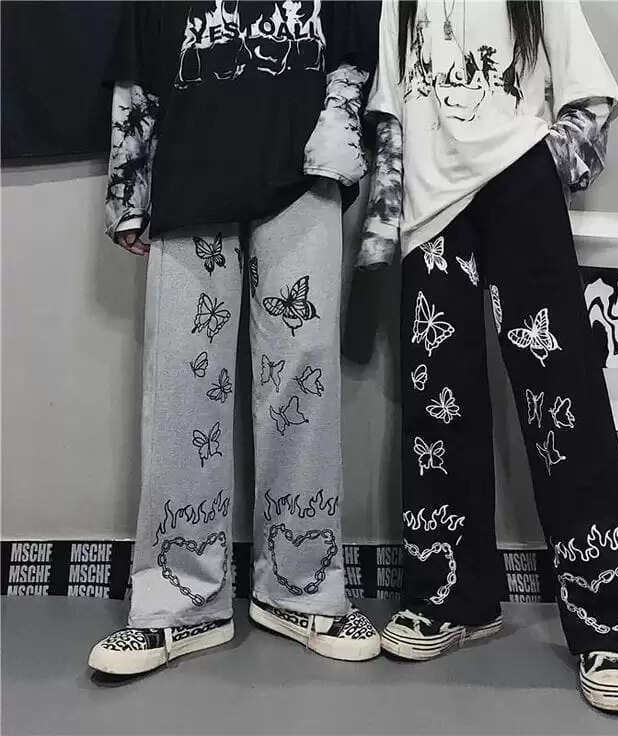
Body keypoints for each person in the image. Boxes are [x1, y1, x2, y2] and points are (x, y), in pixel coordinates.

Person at [359, 0, 618, 713]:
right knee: (439, 408)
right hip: (431, 213)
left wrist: (539, 172)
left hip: (518, 189)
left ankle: (612, 622)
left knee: (562, 401)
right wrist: (385, 223)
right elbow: (389, 114)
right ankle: (452, 597)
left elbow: (590, 93)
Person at [88, 0, 382, 676]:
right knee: (181, 386)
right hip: (191, 177)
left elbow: (353, 49)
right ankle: (177, 604)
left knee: (303, 380)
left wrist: (340, 142)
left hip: (301, 178)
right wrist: (129, 190)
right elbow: (139, 66)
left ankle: (302, 587)